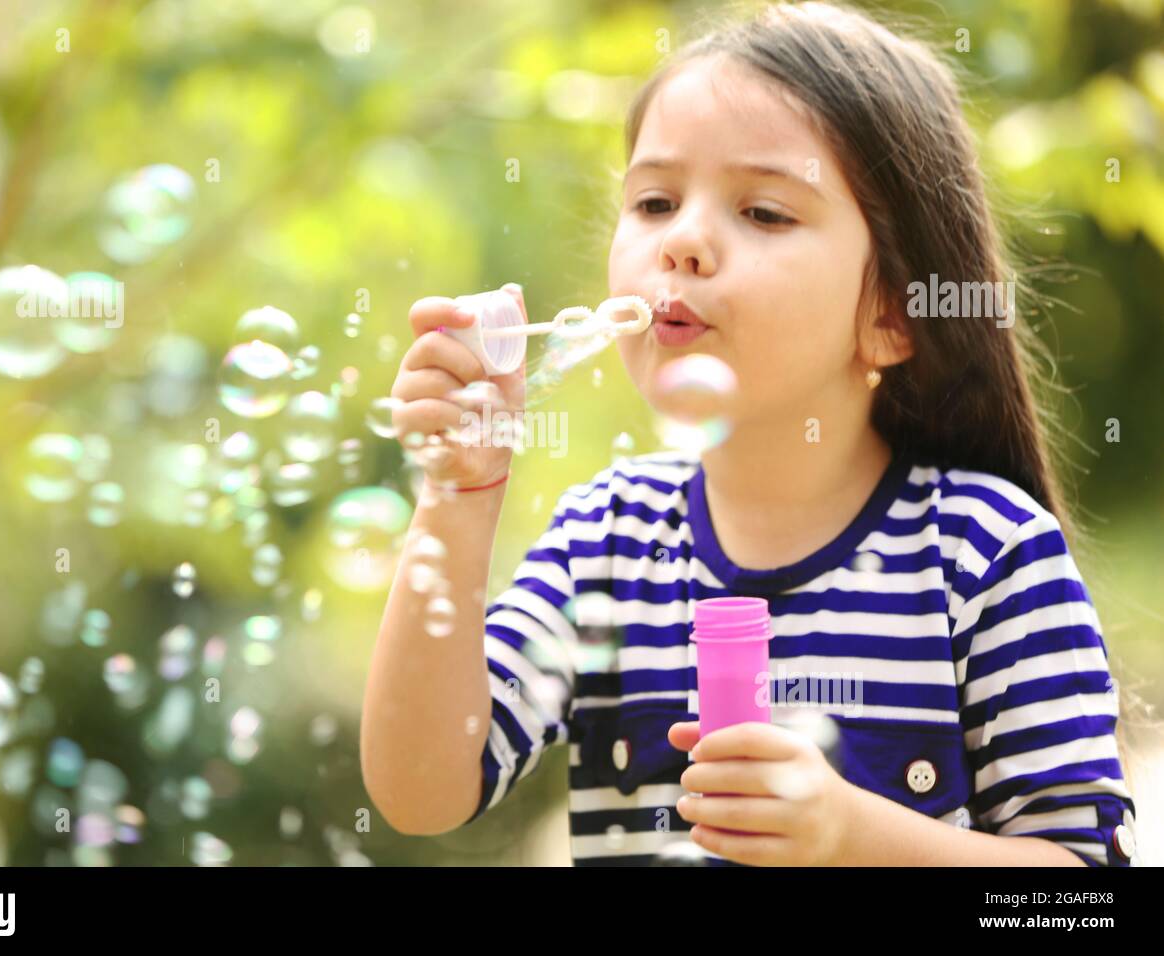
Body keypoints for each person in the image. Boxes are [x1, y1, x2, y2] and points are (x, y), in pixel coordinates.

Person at [361, 1, 1139, 866]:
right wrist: (457, 496)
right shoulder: (605, 543)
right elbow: (423, 791)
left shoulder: (984, 556)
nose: (684, 241)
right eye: (654, 201)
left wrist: (852, 834)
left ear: (891, 313)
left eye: (764, 213)